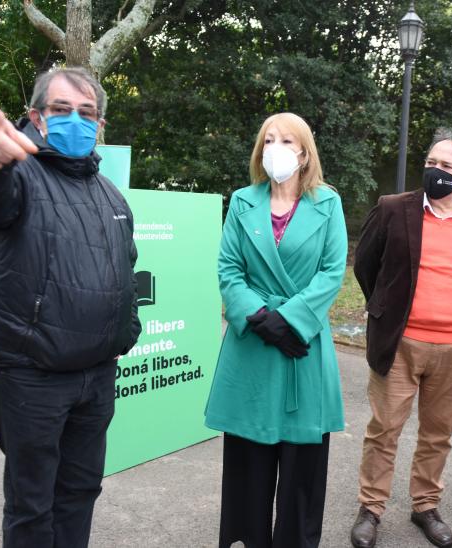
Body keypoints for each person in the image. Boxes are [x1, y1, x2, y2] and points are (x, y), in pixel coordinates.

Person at [0, 67, 140, 548]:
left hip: (95, 379)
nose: (76, 119)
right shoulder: (18, 178)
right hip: (32, 377)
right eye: (61, 110)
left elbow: (125, 269)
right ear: (36, 117)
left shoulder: (111, 196)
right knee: (32, 508)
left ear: (100, 125)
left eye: (87, 113)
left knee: (80, 493)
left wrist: (124, 334)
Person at [350, 128, 452, 548]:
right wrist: (387, 309)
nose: (436, 171)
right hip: (399, 344)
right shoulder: (391, 209)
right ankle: (371, 508)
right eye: (432, 163)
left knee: (437, 434)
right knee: (384, 429)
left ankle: (425, 506)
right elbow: (366, 266)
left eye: (447, 166)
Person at [203, 112, 347, 548]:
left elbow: (332, 271)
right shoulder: (243, 201)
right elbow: (228, 268)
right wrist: (260, 317)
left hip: (302, 347)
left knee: (303, 471)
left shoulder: (328, 203)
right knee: (248, 463)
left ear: (304, 153)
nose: (275, 149)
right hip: (253, 345)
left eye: (286, 141)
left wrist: (292, 320)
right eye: (268, 140)